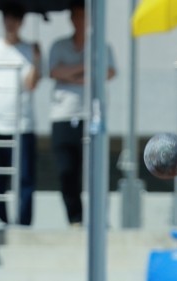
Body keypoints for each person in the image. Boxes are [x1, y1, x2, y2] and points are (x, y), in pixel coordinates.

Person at [49, 1, 117, 227]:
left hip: (91, 116)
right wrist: (87, 68)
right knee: (67, 171)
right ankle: (75, 219)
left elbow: (108, 72)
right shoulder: (59, 45)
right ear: (71, 19)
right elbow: (54, 71)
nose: (80, 21)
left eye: (83, 16)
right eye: (76, 16)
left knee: (95, 171)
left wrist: (71, 73)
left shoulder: (101, 46)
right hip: (63, 115)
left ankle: (99, 219)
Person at [0, 3, 41, 225]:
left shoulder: (30, 49)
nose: (11, 23)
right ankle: (1, 218)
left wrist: (37, 60)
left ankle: (24, 222)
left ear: (22, 22)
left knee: (25, 177)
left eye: (15, 18)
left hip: (22, 123)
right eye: (8, 17)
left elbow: (31, 83)